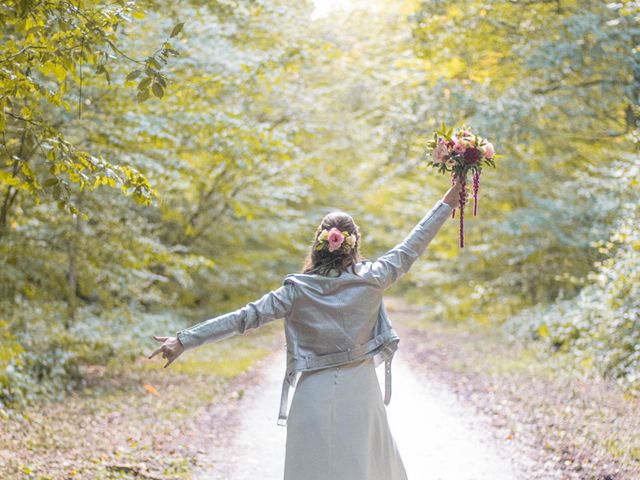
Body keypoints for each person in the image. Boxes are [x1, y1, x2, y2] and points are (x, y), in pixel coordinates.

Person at [149, 180, 461, 480]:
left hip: (314, 396)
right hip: (361, 396)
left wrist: (184, 339)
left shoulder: (295, 290)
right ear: (353, 244)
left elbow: (244, 317)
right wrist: (449, 199)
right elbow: (413, 244)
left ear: (319, 244)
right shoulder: (374, 278)